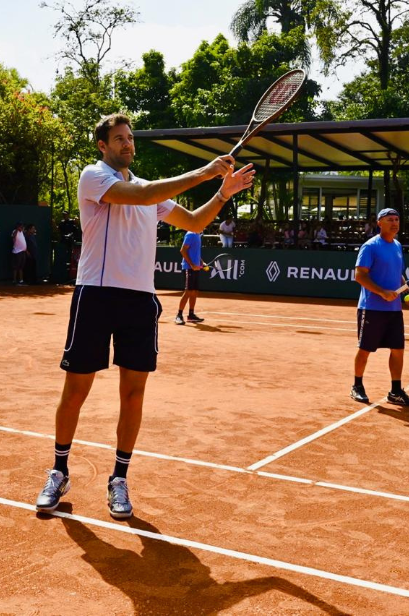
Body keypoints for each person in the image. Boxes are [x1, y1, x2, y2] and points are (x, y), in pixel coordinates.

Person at [35, 113, 255, 519]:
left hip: (139, 301)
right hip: (95, 297)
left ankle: (118, 478)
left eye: (130, 138)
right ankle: (59, 469)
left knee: (133, 394)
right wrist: (205, 171)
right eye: (119, 139)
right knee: (76, 391)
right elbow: (142, 196)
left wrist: (222, 193)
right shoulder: (94, 177)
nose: (127, 144)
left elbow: (192, 222)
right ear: (103, 146)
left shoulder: (146, 190)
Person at [351, 208, 409, 407]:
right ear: (379, 223)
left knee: (398, 349)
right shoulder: (370, 246)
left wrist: (406, 291)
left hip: (394, 310)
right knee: (365, 349)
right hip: (371, 307)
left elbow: (397, 274)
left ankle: (396, 391)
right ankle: (357, 385)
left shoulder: (397, 245)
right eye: (390, 219)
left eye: (397, 219)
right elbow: (360, 276)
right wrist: (382, 292)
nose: (395, 223)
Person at [175, 230, 205, 325]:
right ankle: (179, 315)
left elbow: (195, 252)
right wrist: (192, 264)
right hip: (188, 267)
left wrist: (201, 262)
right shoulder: (190, 234)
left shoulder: (198, 235)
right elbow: (183, 250)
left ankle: (191, 315)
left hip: (196, 268)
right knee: (188, 291)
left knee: (195, 291)